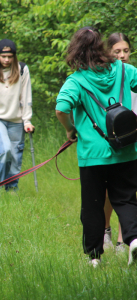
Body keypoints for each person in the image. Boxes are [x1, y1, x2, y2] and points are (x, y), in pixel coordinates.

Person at [55, 26, 137, 267]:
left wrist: (70, 129)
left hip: (93, 155)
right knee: (126, 199)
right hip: (126, 150)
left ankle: (94, 259)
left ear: (75, 51)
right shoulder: (123, 70)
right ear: (101, 46)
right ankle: (133, 241)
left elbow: (61, 108)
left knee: (93, 205)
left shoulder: (77, 80)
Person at [0, 39, 34, 191]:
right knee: (5, 150)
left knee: (15, 157)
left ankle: (12, 191)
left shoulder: (22, 69)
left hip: (17, 120)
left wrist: (27, 121)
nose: (7, 60)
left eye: (10, 56)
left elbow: (26, 97)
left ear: (14, 56)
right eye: (3, 56)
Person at [103, 32, 135, 253]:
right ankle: (105, 230)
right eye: (117, 52)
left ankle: (123, 241)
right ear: (108, 53)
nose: (122, 56)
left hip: (133, 142)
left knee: (128, 192)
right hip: (111, 143)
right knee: (107, 190)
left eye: (126, 51)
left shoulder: (133, 75)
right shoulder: (107, 77)